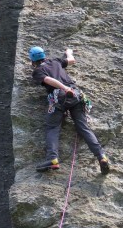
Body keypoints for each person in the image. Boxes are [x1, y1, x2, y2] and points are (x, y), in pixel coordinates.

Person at [29, 46, 110, 174]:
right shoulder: (55, 61)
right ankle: (101, 156)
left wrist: (64, 88)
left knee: (52, 127)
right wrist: (69, 52)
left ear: (33, 61)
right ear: (44, 56)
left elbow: (48, 80)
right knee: (83, 127)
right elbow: (71, 60)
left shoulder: (38, 71)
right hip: (76, 94)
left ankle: (53, 159)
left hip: (59, 97)